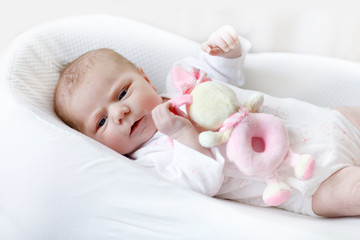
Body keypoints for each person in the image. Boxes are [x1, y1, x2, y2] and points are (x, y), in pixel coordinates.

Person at [54, 25, 360, 218]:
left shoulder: (184, 84)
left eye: (122, 92)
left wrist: (224, 52)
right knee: (349, 193)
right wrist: (183, 133)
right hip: (309, 183)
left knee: (351, 112)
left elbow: (225, 78)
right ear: (94, 143)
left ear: (144, 77)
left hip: (328, 122)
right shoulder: (150, 162)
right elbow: (201, 182)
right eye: (102, 121)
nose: (120, 112)